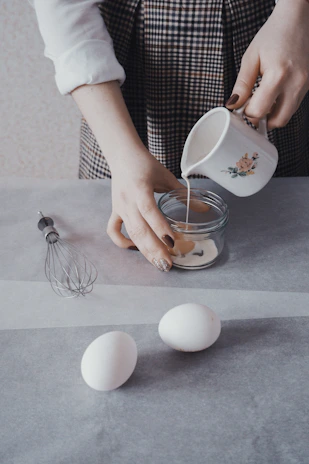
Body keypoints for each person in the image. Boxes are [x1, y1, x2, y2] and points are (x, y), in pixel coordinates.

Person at [30, 0, 309, 272]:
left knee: (281, 212)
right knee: (128, 198)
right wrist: (121, 154)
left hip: (267, 33)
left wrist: (295, 13)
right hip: (119, 77)